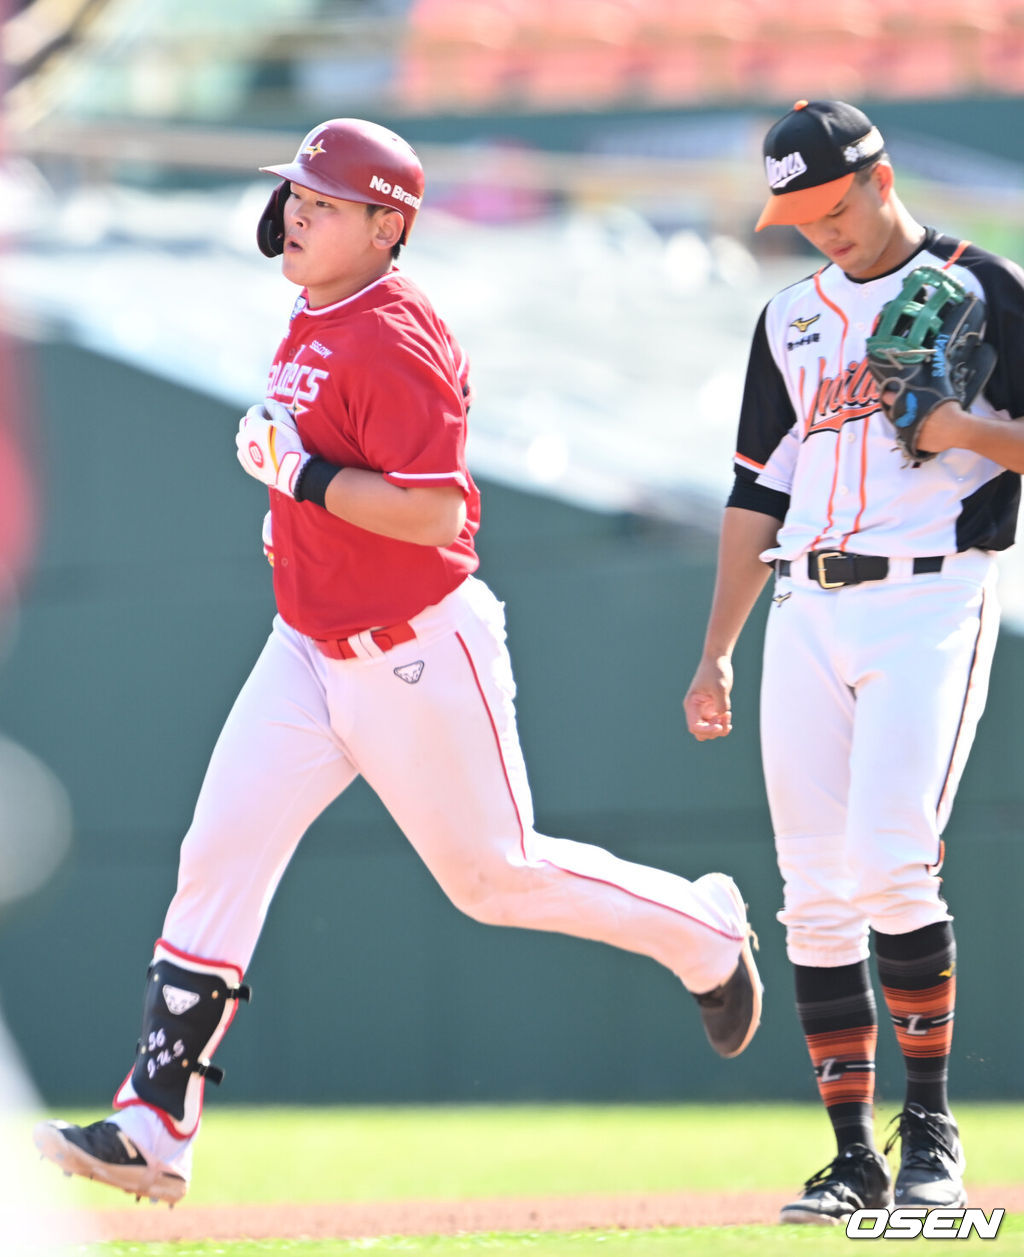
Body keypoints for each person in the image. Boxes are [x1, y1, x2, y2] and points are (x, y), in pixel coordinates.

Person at [33, 117, 761, 1206]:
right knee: (219, 853)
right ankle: (151, 1129)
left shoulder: (395, 333)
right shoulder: (317, 311)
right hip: (306, 649)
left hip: (413, 649)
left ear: (388, 225)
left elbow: (432, 517)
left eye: (324, 203)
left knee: (496, 879)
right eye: (297, 195)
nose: (296, 213)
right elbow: (319, 473)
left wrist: (303, 477)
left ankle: (706, 932)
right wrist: (295, 494)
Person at [684, 97, 1024, 1227]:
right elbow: (753, 489)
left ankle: (929, 1133)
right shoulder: (787, 318)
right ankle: (849, 1158)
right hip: (804, 609)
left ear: (879, 179)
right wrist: (715, 651)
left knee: (889, 864)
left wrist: (965, 432)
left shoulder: (984, 284)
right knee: (812, 898)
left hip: (929, 597)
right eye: (797, 214)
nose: (817, 231)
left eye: (831, 207)